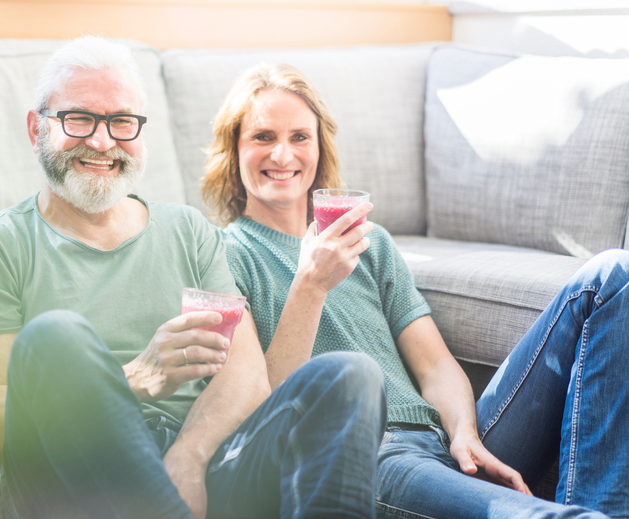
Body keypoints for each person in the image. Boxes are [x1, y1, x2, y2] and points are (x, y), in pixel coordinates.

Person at [0, 37, 388, 519]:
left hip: (200, 471)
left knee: (352, 374)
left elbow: (248, 375)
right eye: (79, 119)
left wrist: (188, 458)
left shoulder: (187, 230)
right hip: (74, 481)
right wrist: (131, 379)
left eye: (121, 122)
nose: (102, 141)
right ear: (36, 128)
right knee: (56, 336)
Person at [202, 62, 629, 519]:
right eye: (263, 137)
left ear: (320, 149)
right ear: (233, 149)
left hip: (445, 441)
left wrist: (464, 430)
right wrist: (309, 285)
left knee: (611, 275)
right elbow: (261, 409)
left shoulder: (371, 242)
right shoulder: (220, 256)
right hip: (372, 457)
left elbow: (435, 365)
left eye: (300, 137)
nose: (283, 155)